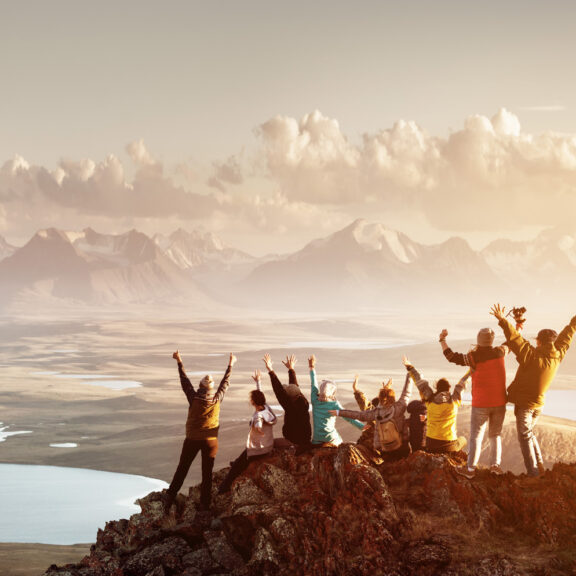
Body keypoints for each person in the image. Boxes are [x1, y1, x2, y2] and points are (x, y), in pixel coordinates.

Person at [490, 303, 576, 477]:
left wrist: (502, 320)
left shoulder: (532, 356)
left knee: (525, 436)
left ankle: (533, 473)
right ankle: (539, 466)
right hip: (539, 405)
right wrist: (574, 322)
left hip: (526, 405)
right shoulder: (558, 354)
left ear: (539, 341)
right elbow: (568, 335)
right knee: (529, 434)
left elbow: (515, 339)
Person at [164, 350, 236, 512]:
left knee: (183, 468)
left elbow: (184, 381)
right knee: (207, 473)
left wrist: (179, 361)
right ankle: (205, 504)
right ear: (211, 388)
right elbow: (225, 383)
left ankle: (170, 496)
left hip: (192, 439)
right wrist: (231, 364)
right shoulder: (217, 399)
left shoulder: (194, 398)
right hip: (211, 442)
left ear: (201, 387)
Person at [439, 327, 508, 478]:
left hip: (481, 403)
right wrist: (517, 326)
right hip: (500, 402)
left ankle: (470, 470)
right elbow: (512, 341)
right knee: (495, 434)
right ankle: (495, 466)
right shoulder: (501, 351)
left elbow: (451, 356)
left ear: (478, 340)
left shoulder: (473, 357)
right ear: (491, 340)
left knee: (476, 436)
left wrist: (443, 340)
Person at [330, 368, 413, 461]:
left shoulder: (375, 413)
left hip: (383, 450)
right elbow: (406, 393)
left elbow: (359, 413)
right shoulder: (397, 409)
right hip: (401, 448)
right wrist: (410, 372)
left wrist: (339, 412)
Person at [219, 370, 277, 493]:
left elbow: (258, 422)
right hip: (267, 444)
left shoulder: (258, 416)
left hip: (259, 449)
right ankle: (239, 461)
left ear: (252, 402)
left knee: (236, 467)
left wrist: (258, 428)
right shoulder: (266, 408)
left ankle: (224, 488)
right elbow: (260, 396)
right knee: (241, 457)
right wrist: (258, 382)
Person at [403, 356, 469, 454]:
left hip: (431, 443)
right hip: (449, 444)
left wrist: (410, 367)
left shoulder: (429, 399)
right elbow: (462, 383)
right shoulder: (454, 400)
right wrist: (472, 370)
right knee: (463, 439)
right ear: (448, 388)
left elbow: (419, 381)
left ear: (437, 388)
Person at [308, 355, 364, 447]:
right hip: (331, 438)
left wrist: (311, 367)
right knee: (342, 444)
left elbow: (313, 383)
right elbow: (348, 417)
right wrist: (362, 427)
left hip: (317, 439)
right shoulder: (334, 404)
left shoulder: (315, 400)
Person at [264, 353, 312, 452]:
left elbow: (279, 391)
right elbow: (294, 386)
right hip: (305, 441)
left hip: (293, 443)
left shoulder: (291, 407)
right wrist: (291, 369)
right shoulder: (302, 401)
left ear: (289, 398)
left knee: (267, 444)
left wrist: (270, 370)